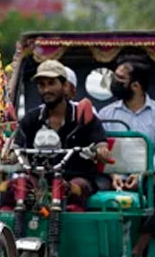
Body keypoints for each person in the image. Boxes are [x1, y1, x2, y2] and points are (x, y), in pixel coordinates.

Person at [98, 61, 155, 257]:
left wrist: (142, 173)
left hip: (149, 173)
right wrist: (112, 173)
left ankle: (138, 250)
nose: (114, 83)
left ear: (136, 86)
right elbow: (97, 146)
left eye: (119, 79)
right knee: (90, 188)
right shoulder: (105, 113)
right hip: (111, 173)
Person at [8, 59, 111, 208]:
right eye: (41, 85)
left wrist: (101, 151)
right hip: (39, 178)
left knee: (72, 189)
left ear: (65, 86)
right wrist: (9, 156)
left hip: (77, 178)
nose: (46, 90)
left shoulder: (84, 116)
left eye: (51, 83)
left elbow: (101, 144)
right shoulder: (31, 118)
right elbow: (16, 146)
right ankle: (11, 229)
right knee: (9, 188)